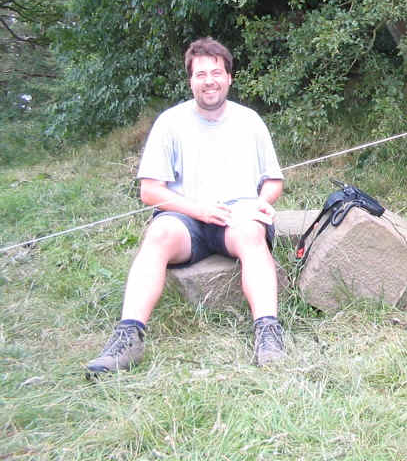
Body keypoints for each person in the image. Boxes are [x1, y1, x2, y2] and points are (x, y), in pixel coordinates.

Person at [86, 37, 286, 375]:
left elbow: (273, 181)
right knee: (159, 233)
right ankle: (128, 336)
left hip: (237, 219)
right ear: (190, 80)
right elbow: (150, 192)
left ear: (229, 78)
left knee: (252, 235)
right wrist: (199, 211)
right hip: (185, 220)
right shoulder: (170, 122)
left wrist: (259, 204)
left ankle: (268, 333)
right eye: (201, 74)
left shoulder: (250, 121)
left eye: (216, 73)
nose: (209, 80)